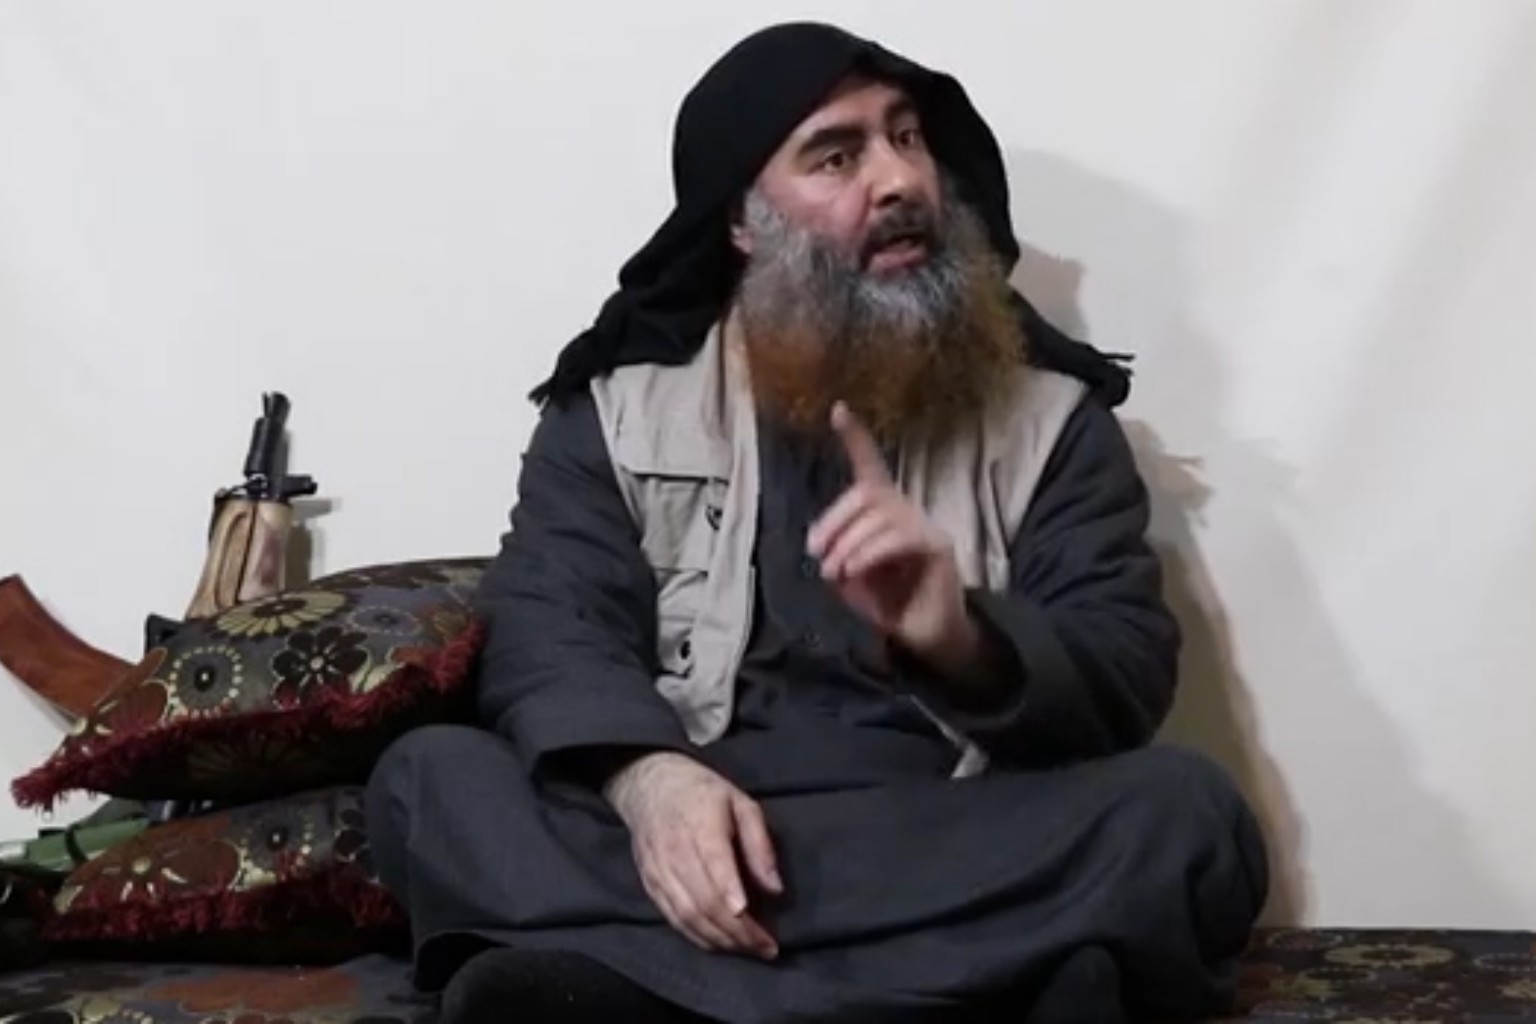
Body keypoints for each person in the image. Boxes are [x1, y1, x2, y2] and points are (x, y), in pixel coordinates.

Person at [365, 20, 1269, 1024]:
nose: (899, 180)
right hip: (708, 826)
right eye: (838, 157)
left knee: (1186, 818)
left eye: (908, 138)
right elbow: (547, 624)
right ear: (743, 221)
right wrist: (648, 782)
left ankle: (652, 987)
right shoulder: (619, 411)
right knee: (428, 784)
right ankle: (988, 982)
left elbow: (1124, 666)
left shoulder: (1050, 422)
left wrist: (962, 638)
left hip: (952, 823)